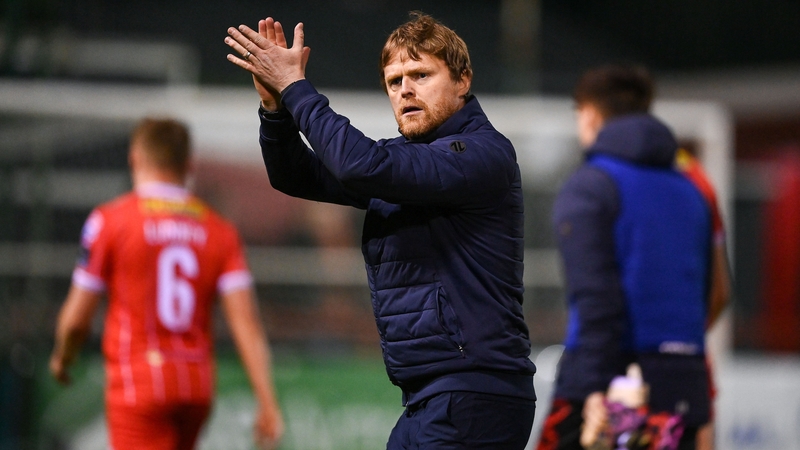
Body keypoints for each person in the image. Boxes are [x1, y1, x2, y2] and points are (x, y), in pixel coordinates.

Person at [224, 11, 537, 449]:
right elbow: (296, 176)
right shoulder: (402, 165)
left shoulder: (482, 154)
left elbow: (360, 165)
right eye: (394, 81)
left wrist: (297, 88)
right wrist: (275, 108)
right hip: (432, 399)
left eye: (421, 74)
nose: (405, 89)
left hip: (474, 396)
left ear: (463, 81)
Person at [49, 117, 284, 450]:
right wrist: (266, 399)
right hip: (196, 385)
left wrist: (63, 357)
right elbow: (246, 324)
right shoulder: (220, 231)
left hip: (139, 381)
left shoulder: (110, 221)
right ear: (188, 165)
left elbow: (76, 321)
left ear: (135, 158)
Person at [536, 64, 731, 450]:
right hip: (684, 390)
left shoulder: (590, 187)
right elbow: (717, 293)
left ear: (589, 113)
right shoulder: (693, 191)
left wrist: (593, 388)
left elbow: (596, 299)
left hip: (607, 389)